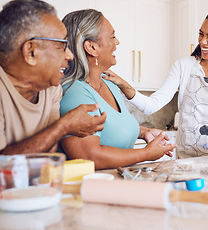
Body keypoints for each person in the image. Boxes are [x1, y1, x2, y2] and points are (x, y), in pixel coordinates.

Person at [103, 9, 208, 158]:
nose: (203, 41)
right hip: (187, 162)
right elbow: (151, 105)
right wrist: (122, 84)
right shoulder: (185, 66)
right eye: (201, 34)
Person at [60, 9, 175, 170]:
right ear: (91, 47)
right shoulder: (74, 92)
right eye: (112, 37)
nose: (117, 42)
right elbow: (89, 156)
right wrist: (147, 153)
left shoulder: (109, 84)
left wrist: (144, 132)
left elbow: (112, 126)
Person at [0, 0, 106, 155]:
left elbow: (47, 155)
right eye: (62, 46)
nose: (70, 55)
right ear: (31, 52)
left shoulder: (52, 89)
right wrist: (63, 127)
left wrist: (62, 128)